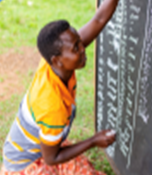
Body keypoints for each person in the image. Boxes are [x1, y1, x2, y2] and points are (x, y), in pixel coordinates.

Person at [1, 0, 119, 174]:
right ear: (57, 60)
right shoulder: (52, 105)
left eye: (79, 41)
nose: (83, 49)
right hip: (24, 165)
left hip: (42, 148)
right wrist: (93, 141)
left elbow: (98, 20)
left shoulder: (55, 63)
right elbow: (52, 158)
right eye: (76, 47)